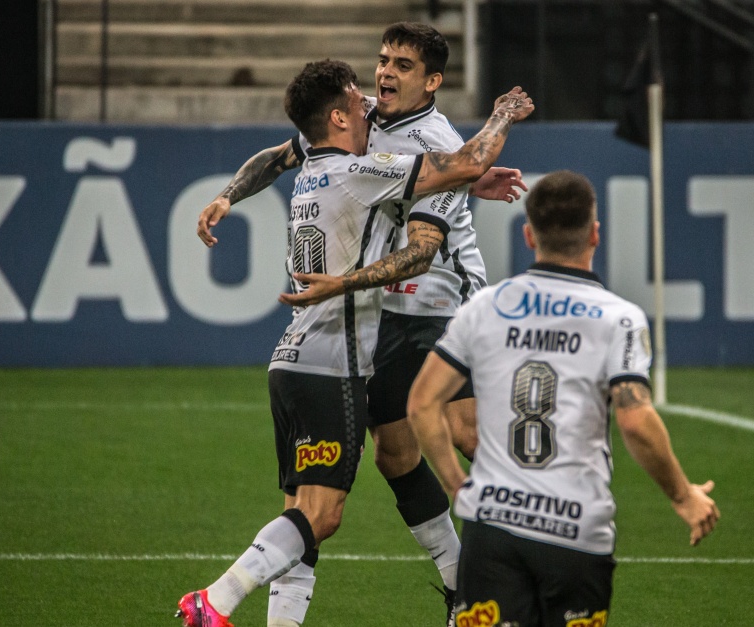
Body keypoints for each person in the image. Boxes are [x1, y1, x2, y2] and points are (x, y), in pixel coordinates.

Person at [176, 60, 533, 627]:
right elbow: (466, 161)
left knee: (301, 512)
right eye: (356, 96)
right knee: (322, 515)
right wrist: (502, 114)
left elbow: (438, 177)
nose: (369, 100)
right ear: (339, 117)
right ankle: (215, 601)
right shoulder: (360, 171)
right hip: (334, 366)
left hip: (289, 362)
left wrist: (460, 182)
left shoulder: (316, 170)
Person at [406, 170, 720, 626]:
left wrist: (459, 486)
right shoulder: (619, 318)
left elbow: (421, 404)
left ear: (529, 234)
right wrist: (682, 495)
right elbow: (635, 421)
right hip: (575, 531)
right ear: (595, 233)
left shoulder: (485, 308)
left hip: (493, 527)